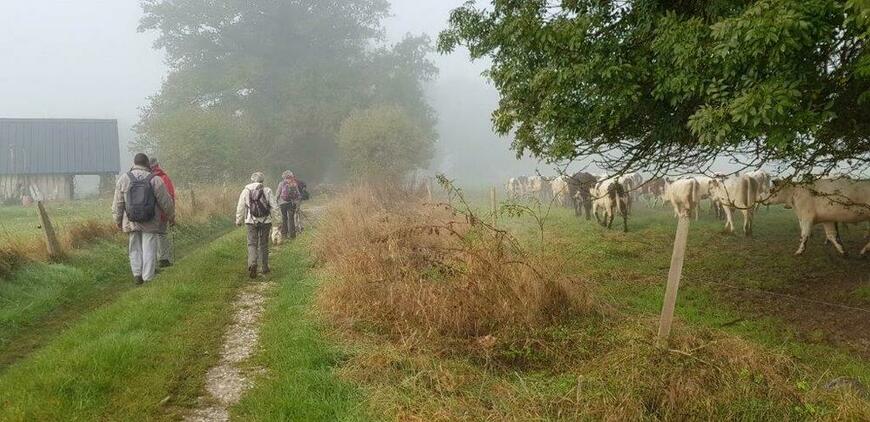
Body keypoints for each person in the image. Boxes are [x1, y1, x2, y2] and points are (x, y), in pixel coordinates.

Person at [112, 153, 175, 285]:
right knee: (149, 248)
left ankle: (137, 274)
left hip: (131, 220)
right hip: (150, 220)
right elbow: (166, 202)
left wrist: (118, 220)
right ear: (147, 163)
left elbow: (118, 203)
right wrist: (171, 216)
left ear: (134, 163)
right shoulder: (155, 179)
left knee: (134, 247)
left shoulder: (124, 178)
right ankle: (148, 277)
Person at [236, 172, 279, 278]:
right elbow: (275, 206)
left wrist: (238, 220)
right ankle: (264, 267)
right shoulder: (267, 190)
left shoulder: (246, 190)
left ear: (252, 180)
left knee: (252, 243)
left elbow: (240, 206)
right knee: (264, 244)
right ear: (262, 180)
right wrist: (279, 220)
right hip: (266, 221)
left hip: (251, 221)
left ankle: (252, 263)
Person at [149, 157, 176, 268]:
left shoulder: (146, 178)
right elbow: (170, 197)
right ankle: (164, 259)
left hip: (148, 214)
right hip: (162, 213)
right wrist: (171, 215)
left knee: (150, 237)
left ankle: (152, 262)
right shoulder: (164, 177)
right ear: (157, 165)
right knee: (162, 234)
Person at [276, 171, 303, 239]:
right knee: (291, 219)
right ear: (291, 176)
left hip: (282, 204)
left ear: (283, 177)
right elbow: (298, 195)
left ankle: (284, 234)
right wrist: (298, 204)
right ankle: (292, 235)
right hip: (291, 203)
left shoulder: (281, 183)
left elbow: (277, 194)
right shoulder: (294, 184)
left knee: (284, 218)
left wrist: (276, 202)